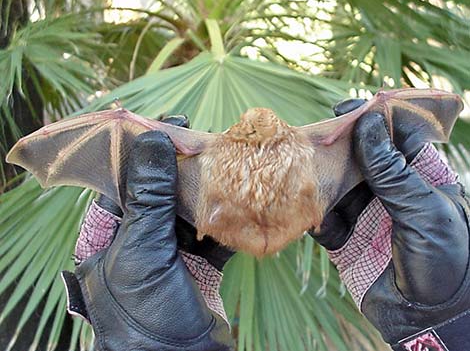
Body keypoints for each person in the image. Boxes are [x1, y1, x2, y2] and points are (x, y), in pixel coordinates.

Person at [62, 100, 470, 351]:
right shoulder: (323, 149)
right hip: (291, 215)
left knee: (146, 164)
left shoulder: (202, 154)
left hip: (222, 222)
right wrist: (449, 323)